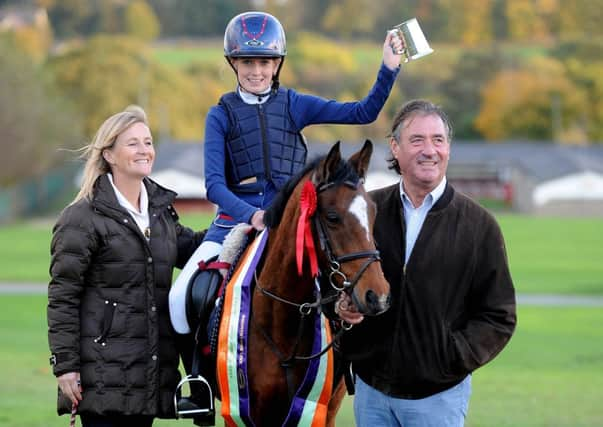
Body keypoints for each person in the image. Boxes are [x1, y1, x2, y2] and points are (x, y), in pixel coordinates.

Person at [169, 10, 405, 335]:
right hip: (234, 224)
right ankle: (198, 375)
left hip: (292, 224)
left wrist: (388, 69)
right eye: (247, 62)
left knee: (338, 289)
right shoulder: (220, 115)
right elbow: (214, 186)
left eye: (264, 62)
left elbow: (363, 112)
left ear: (277, 64)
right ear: (233, 63)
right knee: (181, 296)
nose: (256, 71)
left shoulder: (295, 104)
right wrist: (252, 216)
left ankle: (337, 372)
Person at [335, 99, 517, 427]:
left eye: (438, 140)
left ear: (448, 148)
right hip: (372, 393)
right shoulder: (369, 212)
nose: (429, 150)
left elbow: (499, 315)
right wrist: (342, 306)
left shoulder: (479, 225)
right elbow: (336, 281)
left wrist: (451, 357)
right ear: (395, 147)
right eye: (417, 140)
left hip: (438, 396)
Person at [47, 106, 205, 427]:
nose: (144, 150)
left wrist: (243, 226)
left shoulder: (161, 214)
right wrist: (66, 367)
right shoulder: (81, 217)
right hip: (102, 379)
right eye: (133, 143)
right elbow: (63, 297)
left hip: (148, 380)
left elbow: (195, 250)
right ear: (110, 155)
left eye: (147, 142)